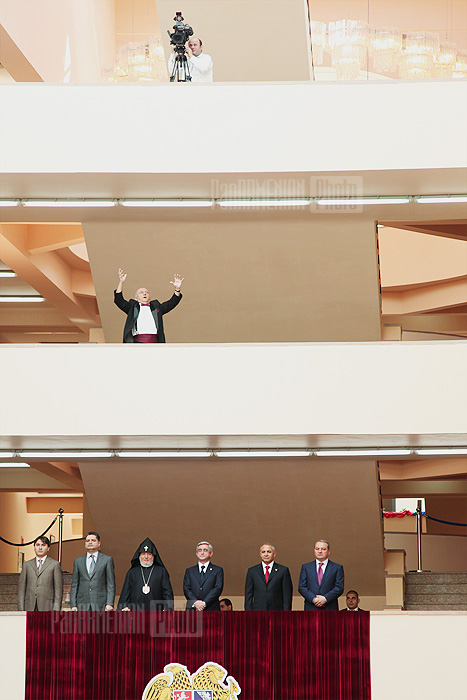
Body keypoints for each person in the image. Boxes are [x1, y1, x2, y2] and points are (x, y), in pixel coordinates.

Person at [114, 268, 183, 343]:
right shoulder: (132, 307)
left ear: (149, 298)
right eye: (141, 292)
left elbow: (171, 303)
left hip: (155, 343)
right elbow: (119, 300)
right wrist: (121, 283)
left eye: (146, 292)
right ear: (136, 298)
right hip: (137, 343)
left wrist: (177, 289)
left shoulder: (156, 307)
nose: (144, 293)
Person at [118, 537, 174, 611]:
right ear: (139, 556)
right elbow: (125, 594)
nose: (146, 557)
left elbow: (167, 593)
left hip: (157, 613)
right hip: (136, 614)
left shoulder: (161, 572)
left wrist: (168, 608)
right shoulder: (132, 572)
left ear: (153, 556)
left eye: (149, 554)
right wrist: (124, 606)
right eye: (143, 554)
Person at [70, 531, 115, 611]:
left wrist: (109, 603)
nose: (90, 542)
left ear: (99, 543)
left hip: (100, 603)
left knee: (99, 624)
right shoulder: (78, 561)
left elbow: (111, 584)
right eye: (88, 541)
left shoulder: (107, 560)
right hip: (82, 604)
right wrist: (73, 604)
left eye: (93, 540)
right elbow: (74, 584)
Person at [17, 536, 63, 611]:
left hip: (47, 607)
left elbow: (58, 590)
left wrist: (56, 610)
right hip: (29, 606)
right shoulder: (27, 565)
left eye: (43, 545)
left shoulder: (55, 565)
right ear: (34, 547)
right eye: (38, 545)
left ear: (48, 548)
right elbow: (21, 589)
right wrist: (21, 610)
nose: (40, 548)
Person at [298, 539, 344, 611]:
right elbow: (302, 587)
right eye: (317, 549)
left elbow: (339, 588)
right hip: (311, 608)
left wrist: (325, 598)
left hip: (330, 608)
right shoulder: (306, 567)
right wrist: (313, 599)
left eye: (323, 549)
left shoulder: (337, 568)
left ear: (328, 551)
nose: (320, 551)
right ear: (314, 551)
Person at [244, 543, 293, 611]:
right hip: (257, 612)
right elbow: (248, 596)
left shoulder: (283, 570)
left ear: (274, 554)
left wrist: (286, 613)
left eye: (269, 552)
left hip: (277, 612)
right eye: (263, 552)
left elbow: (287, 596)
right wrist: (248, 614)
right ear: (260, 554)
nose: (266, 554)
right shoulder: (252, 571)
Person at [183, 541, 223, 611]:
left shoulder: (217, 570)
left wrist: (204, 603)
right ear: (196, 553)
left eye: (205, 550)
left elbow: (218, 588)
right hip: (193, 609)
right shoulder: (189, 571)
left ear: (211, 553)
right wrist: (196, 602)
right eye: (199, 550)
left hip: (211, 609)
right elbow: (186, 588)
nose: (202, 552)